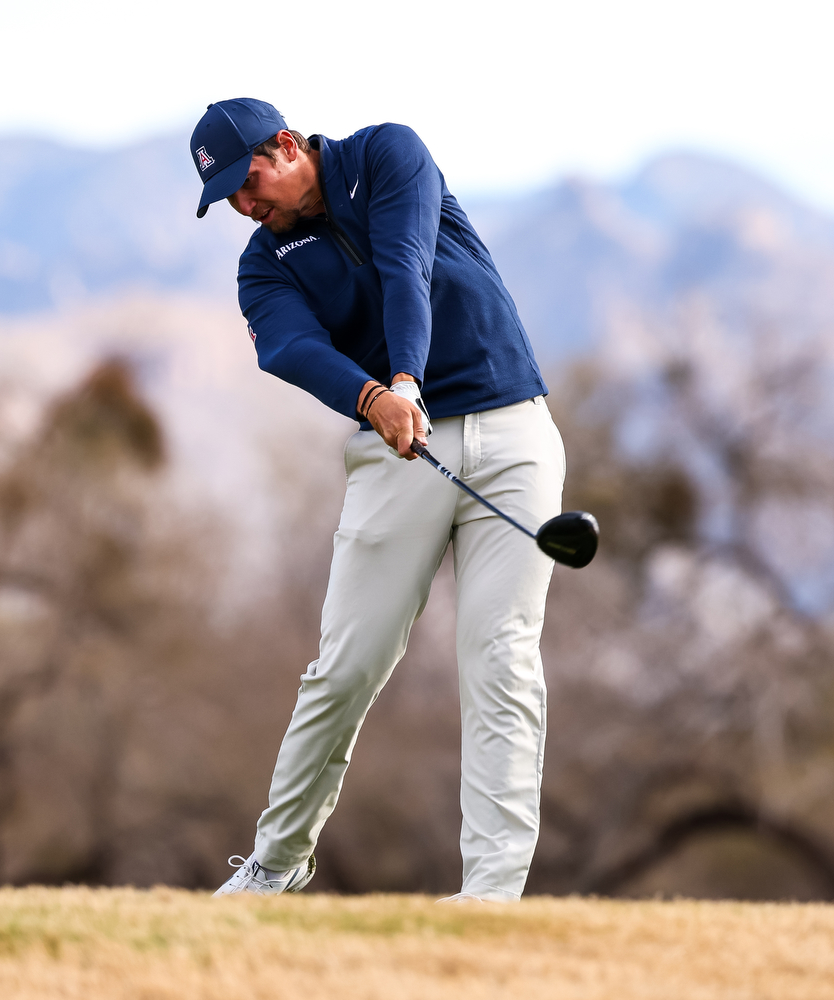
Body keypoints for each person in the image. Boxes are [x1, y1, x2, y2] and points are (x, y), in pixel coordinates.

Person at [191, 98, 563, 902]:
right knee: (346, 667)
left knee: (500, 658)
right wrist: (374, 401)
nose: (244, 206)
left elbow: (406, 265)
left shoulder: (388, 153)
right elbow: (290, 347)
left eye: (248, 181)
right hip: (398, 449)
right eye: (229, 199)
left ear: (286, 145)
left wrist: (403, 382)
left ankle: (492, 896)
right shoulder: (265, 263)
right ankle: (276, 862)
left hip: (511, 427)